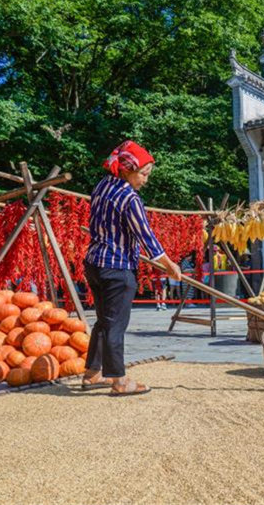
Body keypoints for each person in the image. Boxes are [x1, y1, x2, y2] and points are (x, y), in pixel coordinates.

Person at [82, 140, 182, 396]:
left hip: (94, 263)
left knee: (104, 321)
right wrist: (169, 265)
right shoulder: (129, 197)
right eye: (143, 174)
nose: (145, 180)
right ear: (127, 170)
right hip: (117, 268)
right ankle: (118, 380)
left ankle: (92, 374)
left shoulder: (102, 186)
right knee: (115, 324)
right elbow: (146, 236)